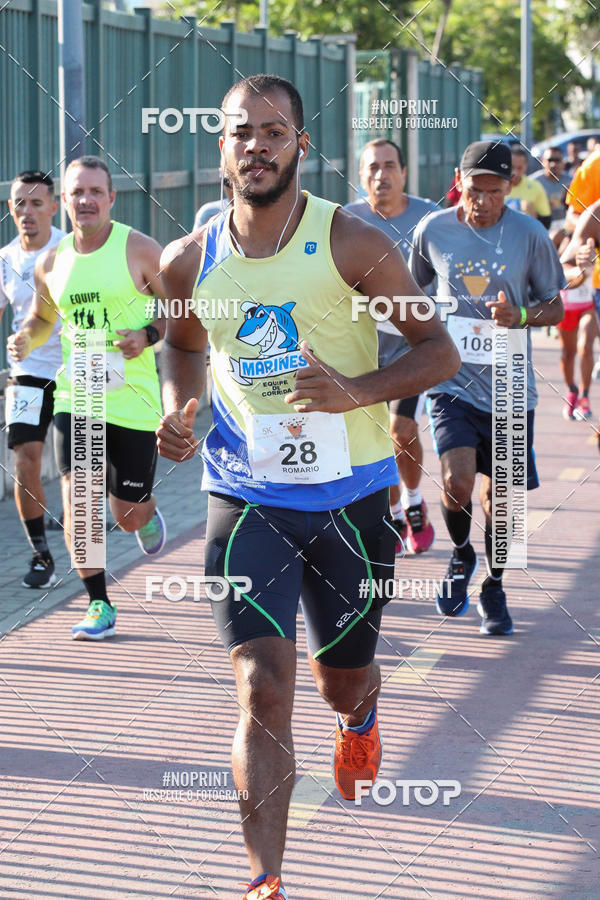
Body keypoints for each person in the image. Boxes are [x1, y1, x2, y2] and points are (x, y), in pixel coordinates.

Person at [156, 74, 460, 900]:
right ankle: (267, 880)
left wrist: (355, 391)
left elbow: (438, 351)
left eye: (272, 132)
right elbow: (182, 345)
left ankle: (360, 716)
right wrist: (178, 407)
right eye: (240, 132)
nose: (255, 146)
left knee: (339, 680)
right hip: (245, 495)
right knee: (261, 686)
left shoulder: (352, 242)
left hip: (352, 501)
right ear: (222, 144)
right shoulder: (189, 261)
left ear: (301, 144)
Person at [7, 155, 167, 640]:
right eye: (78, 191)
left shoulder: (140, 249)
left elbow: (180, 308)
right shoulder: (51, 262)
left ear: (111, 198)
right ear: (66, 200)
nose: (86, 200)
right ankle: (100, 602)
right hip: (77, 397)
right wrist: (27, 338)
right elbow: (42, 318)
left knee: (126, 514)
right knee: (79, 502)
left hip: (133, 401)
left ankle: (145, 510)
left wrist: (147, 334)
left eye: (96, 191)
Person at [410, 140, 565, 636]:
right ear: (459, 182)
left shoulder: (529, 234)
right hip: (452, 383)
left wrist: (520, 315)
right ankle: (461, 554)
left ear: (510, 186)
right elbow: (413, 294)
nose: (482, 201)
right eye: (474, 190)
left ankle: (493, 586)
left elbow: (555, 307)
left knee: (502, 505)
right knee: (456, 482)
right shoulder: (433, 230)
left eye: (494, 192)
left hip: (511, 386)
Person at [345, 138, 437, 553]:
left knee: (401, 430)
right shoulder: (346, 220)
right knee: (375, 437)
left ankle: (414, 501)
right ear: (361, 176)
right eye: (372, 168)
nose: (381, 175)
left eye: (389, 166)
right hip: (362, 348)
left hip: (411, 348)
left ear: (403, 172)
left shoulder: (428, 218)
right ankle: (395, 512)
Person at [0, 171, 64, 588]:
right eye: (20, 203)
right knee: (25, 460)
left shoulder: (70, 251)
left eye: (37, 203)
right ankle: (42, 555)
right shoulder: (5, 258)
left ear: (54, 207)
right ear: (10, 208)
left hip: (77, 372)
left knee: (83, 467)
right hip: (26, 375)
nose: (27, 211)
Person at [560, 199, 600, 441]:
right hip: (575, 304)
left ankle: (583, 395)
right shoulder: (596, 215)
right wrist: (582, 271)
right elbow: (563, 268)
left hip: (588, 307)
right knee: (570, 353)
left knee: (585, 347)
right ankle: (575, 391)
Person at [530, 147, 572, 241]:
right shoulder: (533, 182)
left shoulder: (571, 181)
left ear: (562, 162)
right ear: (542, 161)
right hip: (542, 227)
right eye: (550, 160)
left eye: (557, 160)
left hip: (566, 227)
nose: (553, 164)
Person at [506, 145, 552, 227]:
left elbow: (546, 221)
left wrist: (532, 214)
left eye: (519, 168)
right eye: (512, 167)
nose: (515, 172)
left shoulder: (536, 187)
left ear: (526, 166)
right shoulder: (495, 185)